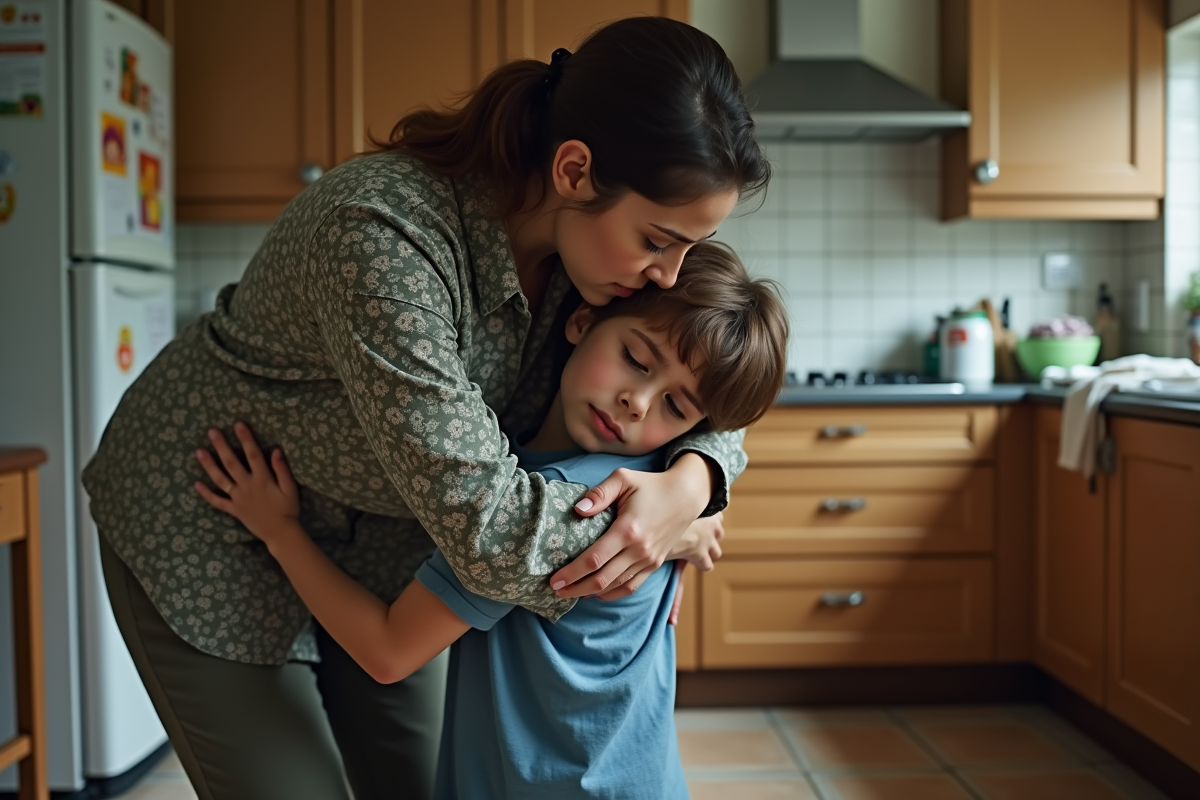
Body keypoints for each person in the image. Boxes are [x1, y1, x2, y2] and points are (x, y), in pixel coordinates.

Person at [82, 16, 770, 800]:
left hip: (387, 540)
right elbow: (492, 532)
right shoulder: (381, 235)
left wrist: (694, 481)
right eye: (659, 241)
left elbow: (716, 375)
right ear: (575, 171)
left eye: (687, 248)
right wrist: (645, 529)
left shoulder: (603, 275)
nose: (665, 276)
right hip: (218, 509)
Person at [193, 243, 789, 799]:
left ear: (692, 428)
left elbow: (388, 651)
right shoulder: (654, 478)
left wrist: (280, 531)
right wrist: (694, 504)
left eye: (674, 405)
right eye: (635, 359)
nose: (638, 401)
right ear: (580, 321)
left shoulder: (554, 509)